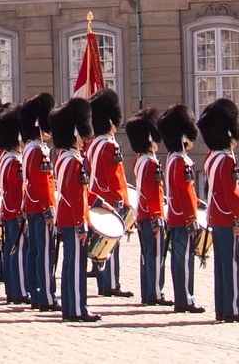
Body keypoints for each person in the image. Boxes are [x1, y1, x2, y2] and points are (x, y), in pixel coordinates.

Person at [199, 98, 239, 324]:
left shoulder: (211, 158)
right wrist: (238, 218)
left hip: (216, 216)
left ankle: (222, 308)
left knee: (221, 265)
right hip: (227, 218)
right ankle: (233, 308)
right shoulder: (227, 160)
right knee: (232, 264)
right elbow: (230, 194)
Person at [50, 96, 96, 323]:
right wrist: (81, 222)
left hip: (67, 218)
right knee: (77, 265)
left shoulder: (62, 157)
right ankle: (77, 308)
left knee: (70, 265)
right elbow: (75, 196)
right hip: (74, 219)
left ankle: (69, 306)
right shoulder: (74, 161)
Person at [156, 104, 204, 314]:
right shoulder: (180, 161)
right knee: (183, 259)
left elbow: (186, 191)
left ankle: (184, 296)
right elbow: (183, 192)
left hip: (177, 215)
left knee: (181, 258)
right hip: (182, 217)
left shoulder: (174, 159)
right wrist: (192, 216)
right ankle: (184, 298)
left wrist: (198, 203)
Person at [85, 90, 132, 298]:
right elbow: (116, 178)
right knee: (111, 243)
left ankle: (104, 281)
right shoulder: (110, 145)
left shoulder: (93, 143)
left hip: (97, 194)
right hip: (111, 198)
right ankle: (111, 284)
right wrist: (122, 200)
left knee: (101, 243)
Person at [18, 92, 57, 311]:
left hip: (33, 207)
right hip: (41, 208)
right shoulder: (38, 150)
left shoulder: (30, 148)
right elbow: (42, 184)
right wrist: (49, 209)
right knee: (44, 252)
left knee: (35, 250)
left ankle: (36, 292)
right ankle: (45, 295)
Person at [126, 108, 166, 305]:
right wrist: (158, 215)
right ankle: (155, 293)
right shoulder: (151, 163)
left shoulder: (138, 160)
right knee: (155, 255)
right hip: (151, 215)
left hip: (142, 213)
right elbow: (153, 193)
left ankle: (148, 292)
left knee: (147, 254)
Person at [0, 102, 26, 305]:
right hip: (15, 212)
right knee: (18, 251)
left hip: (9, 211)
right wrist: (21, 211)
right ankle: (19, 290)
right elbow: (16, 190)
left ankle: (13, 289)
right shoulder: (15, 161)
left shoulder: (6, 158)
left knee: (11, 251)